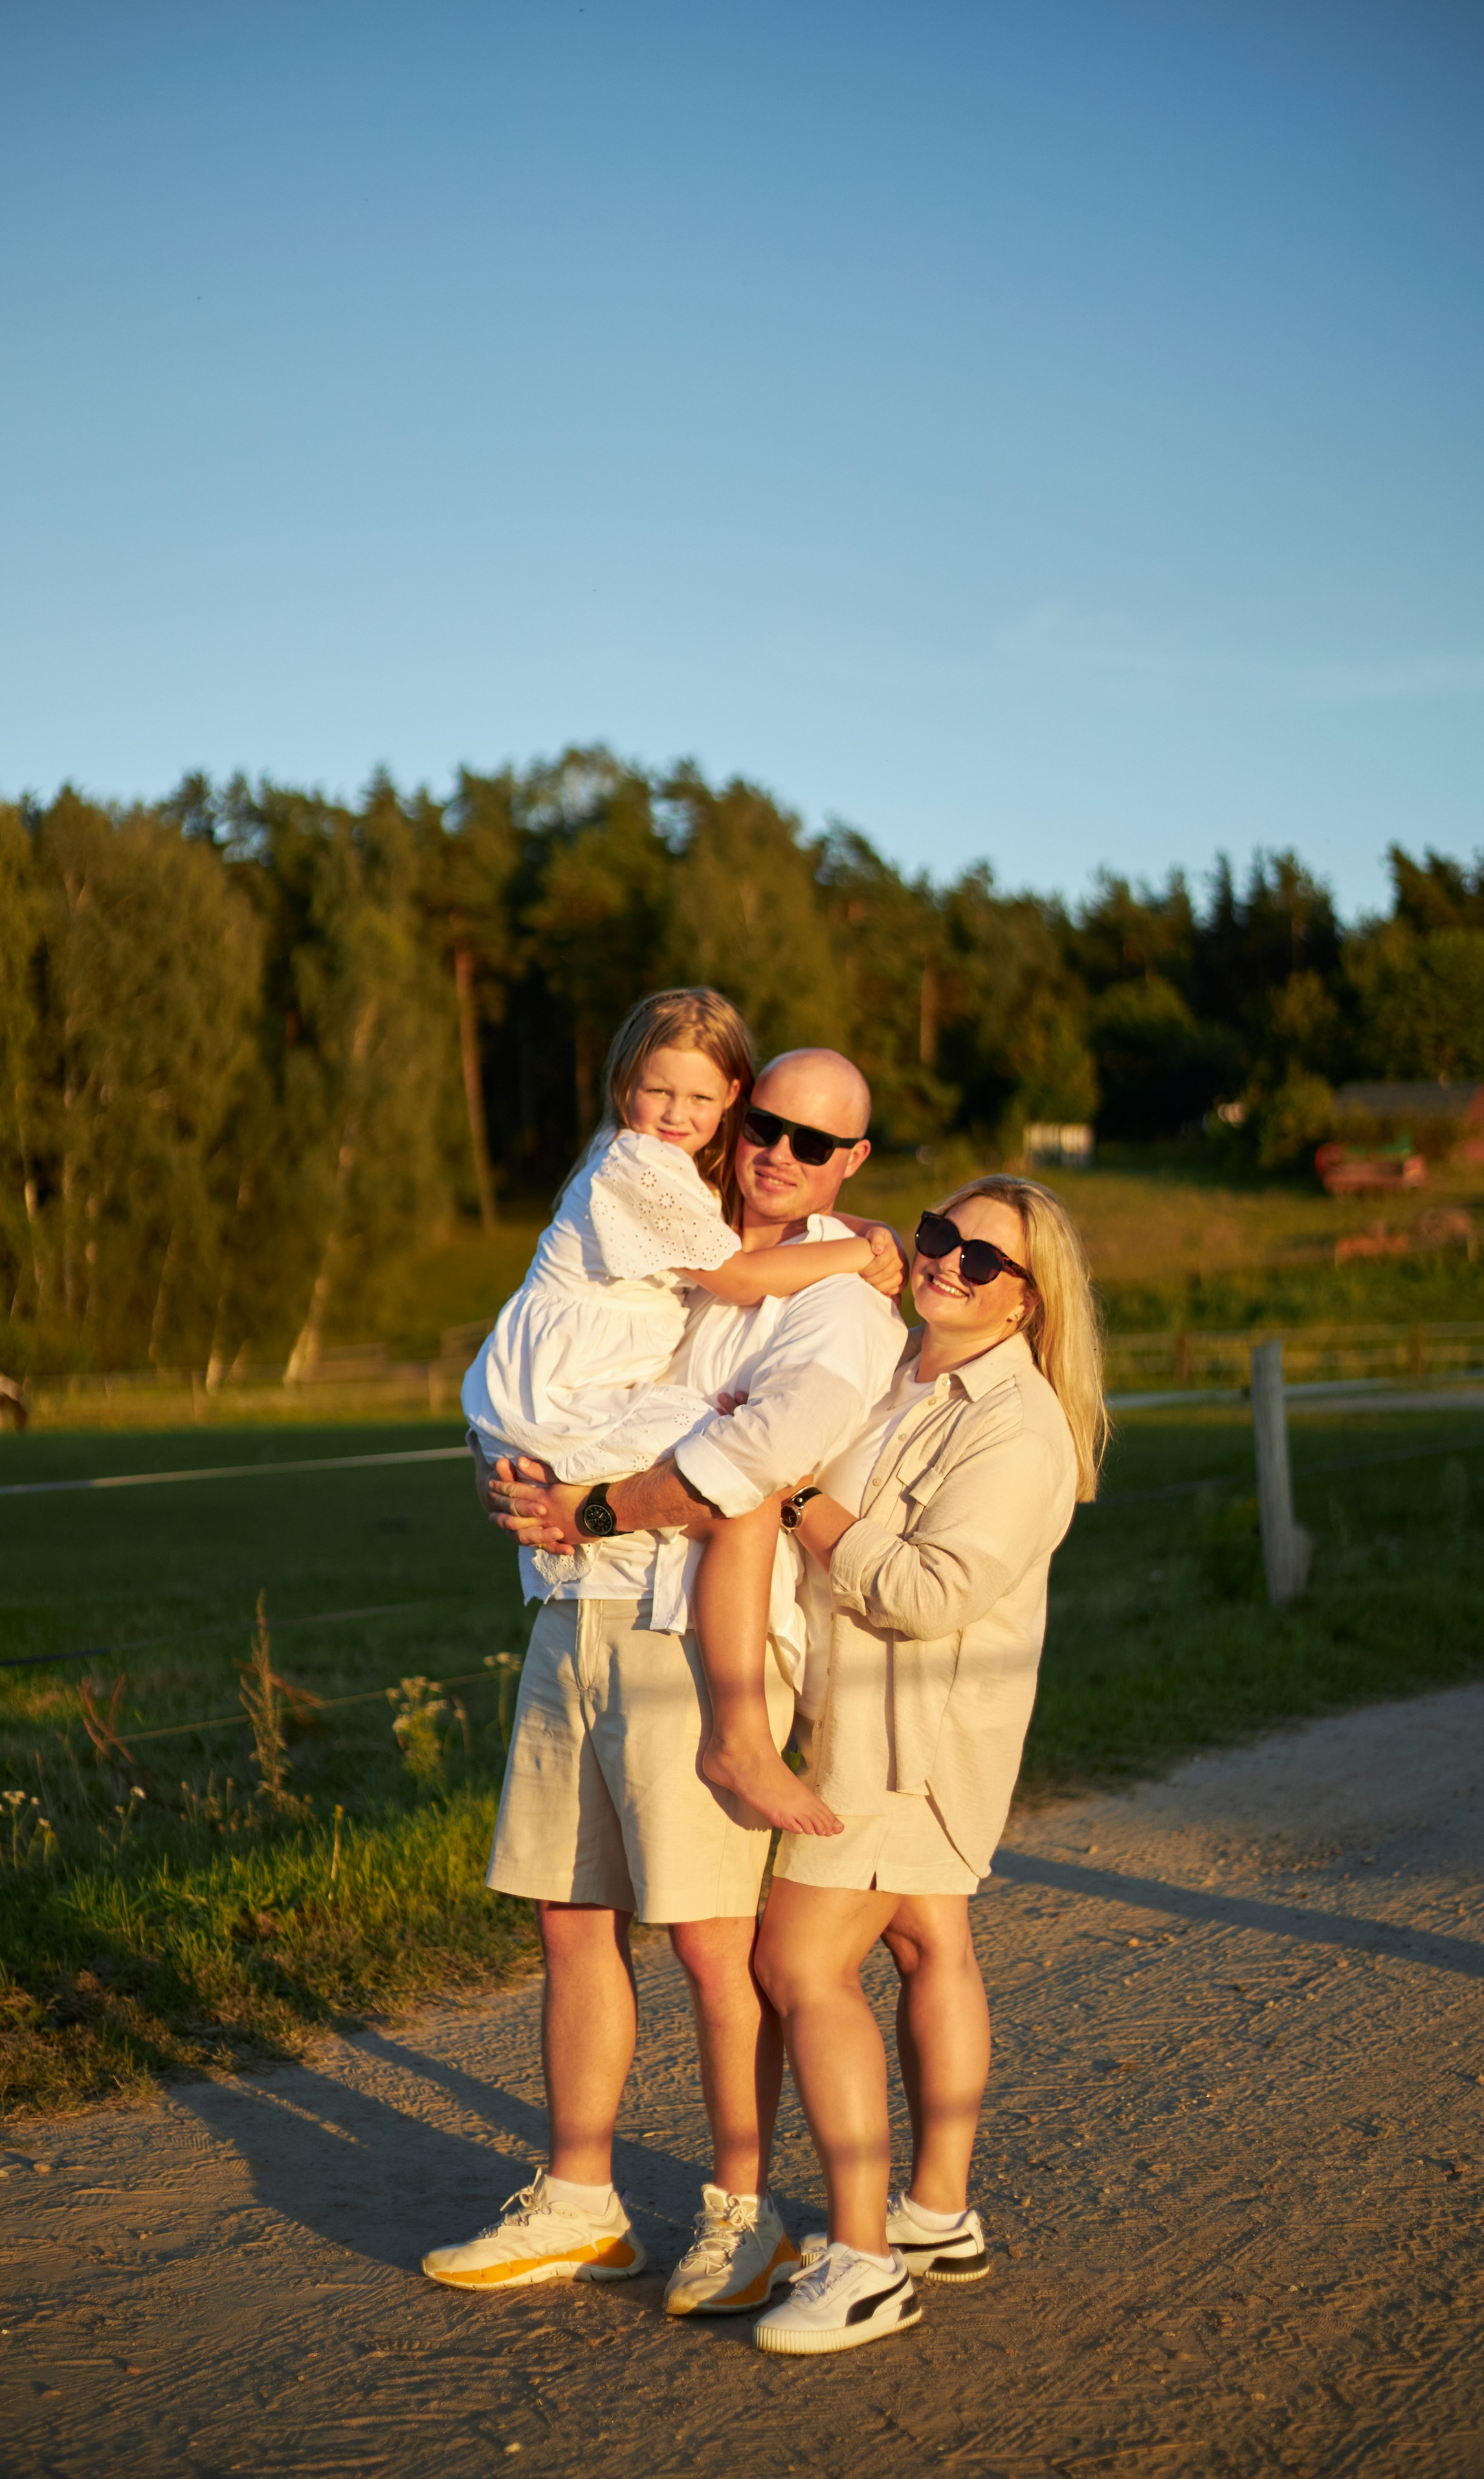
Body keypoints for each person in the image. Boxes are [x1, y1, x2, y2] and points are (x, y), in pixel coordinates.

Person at [422, 1047, 907, 2318]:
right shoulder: (667, 1234)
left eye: (814, 1141)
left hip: (693, 1636)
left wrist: (588, 1496)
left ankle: (740, 2220)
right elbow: (562, 1375)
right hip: (573, 1611)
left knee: (708, 1943)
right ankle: (581, 2202)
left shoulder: (841, 1301)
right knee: (567, 1914)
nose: (777, 1151)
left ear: (851, 1162)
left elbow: (762, 1449)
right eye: (765, 1123)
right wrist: (520, 1476)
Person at [746, 1175, 1107, 2356]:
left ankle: (862, 2261)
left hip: (904, 1738)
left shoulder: (1020, 1424)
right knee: (926, 1936)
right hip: (857, 1716)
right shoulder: (908, 1372)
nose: (947, 1262)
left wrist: (801, 1504)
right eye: (942, 1235)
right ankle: (937, 2212)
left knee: (797, 1961)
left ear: (1028, 1302)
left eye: (983, 1259)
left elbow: (933, 1589)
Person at [463, 986, 903, 1834]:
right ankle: (740, 1742)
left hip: (594, 1489)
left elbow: (756, 1441)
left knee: (743, 1473)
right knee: (739, 1482)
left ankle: (740, 1735)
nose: (677, 1112)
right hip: (569, 1436)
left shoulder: (683, 1186)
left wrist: (863, 1234)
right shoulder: (648, 1168)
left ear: (726, 1097)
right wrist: (862, 1246)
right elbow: (737, 1271)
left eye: (702, 1099)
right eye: (766, 1130)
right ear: (626, 1082)